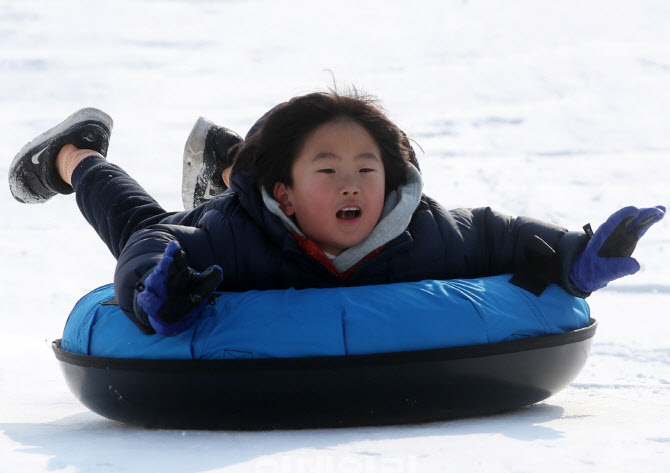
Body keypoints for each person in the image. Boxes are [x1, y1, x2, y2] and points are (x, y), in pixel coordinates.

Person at [9, 91, 665, 336]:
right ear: (289, 195)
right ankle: (74, 154)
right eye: (331, 171)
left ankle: (236, 161)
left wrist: (576, 255)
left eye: (366, 170)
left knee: (286, 170)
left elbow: (500, 235)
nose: (353, 184)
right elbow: (154, 255)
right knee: (141, 223)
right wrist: (156, 298)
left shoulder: (423, 228)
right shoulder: (228, 235)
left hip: (273, 191)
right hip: (235, 217)